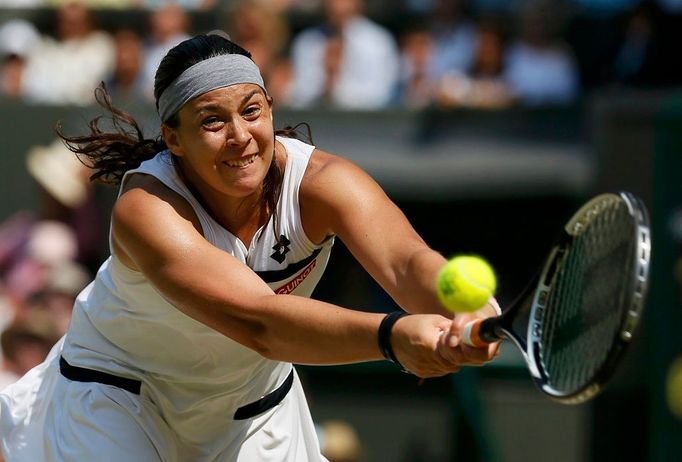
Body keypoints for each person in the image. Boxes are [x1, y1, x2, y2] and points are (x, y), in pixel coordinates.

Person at [0, 33, 500, 461]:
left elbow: (406, 261)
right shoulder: (146, 209)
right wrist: (391, 337)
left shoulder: (327, 183)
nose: (240, 137)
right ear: (173, 139)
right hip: (120, 394)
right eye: (212, 122)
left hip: (253, 406)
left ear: (270, 109)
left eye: (251, 111)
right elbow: (259, 322)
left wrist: (461, 307)